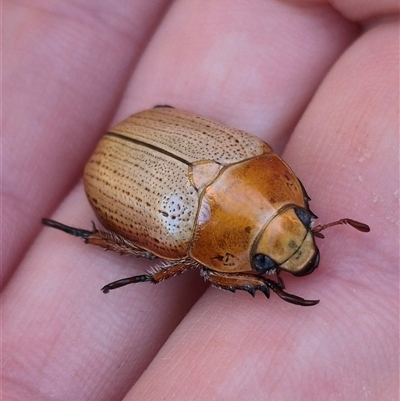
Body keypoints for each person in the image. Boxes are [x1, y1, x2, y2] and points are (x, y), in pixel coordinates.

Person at [2, 1, 398, 399]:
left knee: (163, 260)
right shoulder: (207, 217)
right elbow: (210, 272)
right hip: (121, 170)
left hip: (152, 128)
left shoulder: (259, 158)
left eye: (302, 218)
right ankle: (90, 238)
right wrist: (263, 283)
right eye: (263, 263)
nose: (299, 250)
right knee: (157, 260)